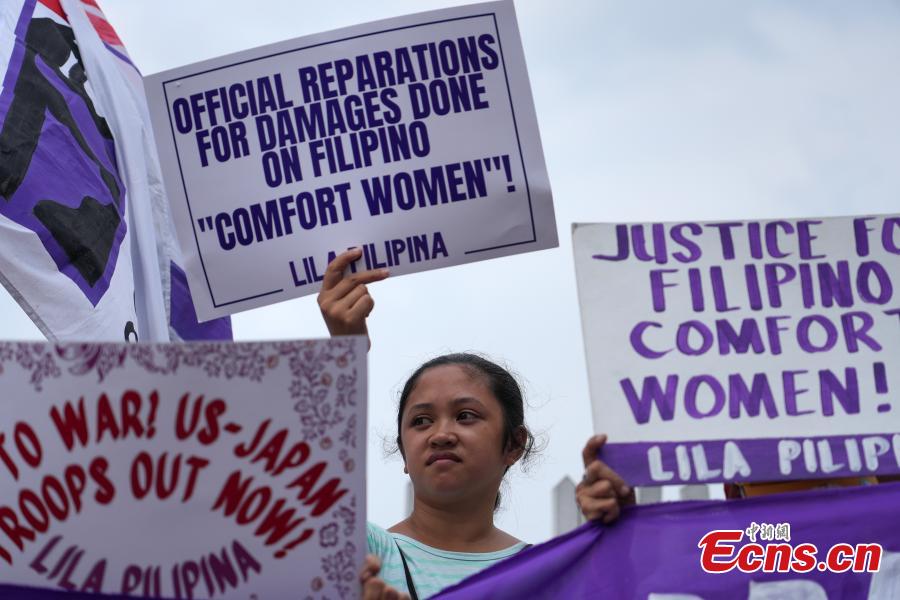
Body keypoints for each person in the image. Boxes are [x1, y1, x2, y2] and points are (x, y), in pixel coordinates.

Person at [319, 249, 632, 600]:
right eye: (421, 421)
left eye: (465, 416)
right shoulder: (362, 551)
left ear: (513, 445)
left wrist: (620, 533)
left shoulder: (551, 573)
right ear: (404, 454)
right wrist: (344, 353)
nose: (441, 435)